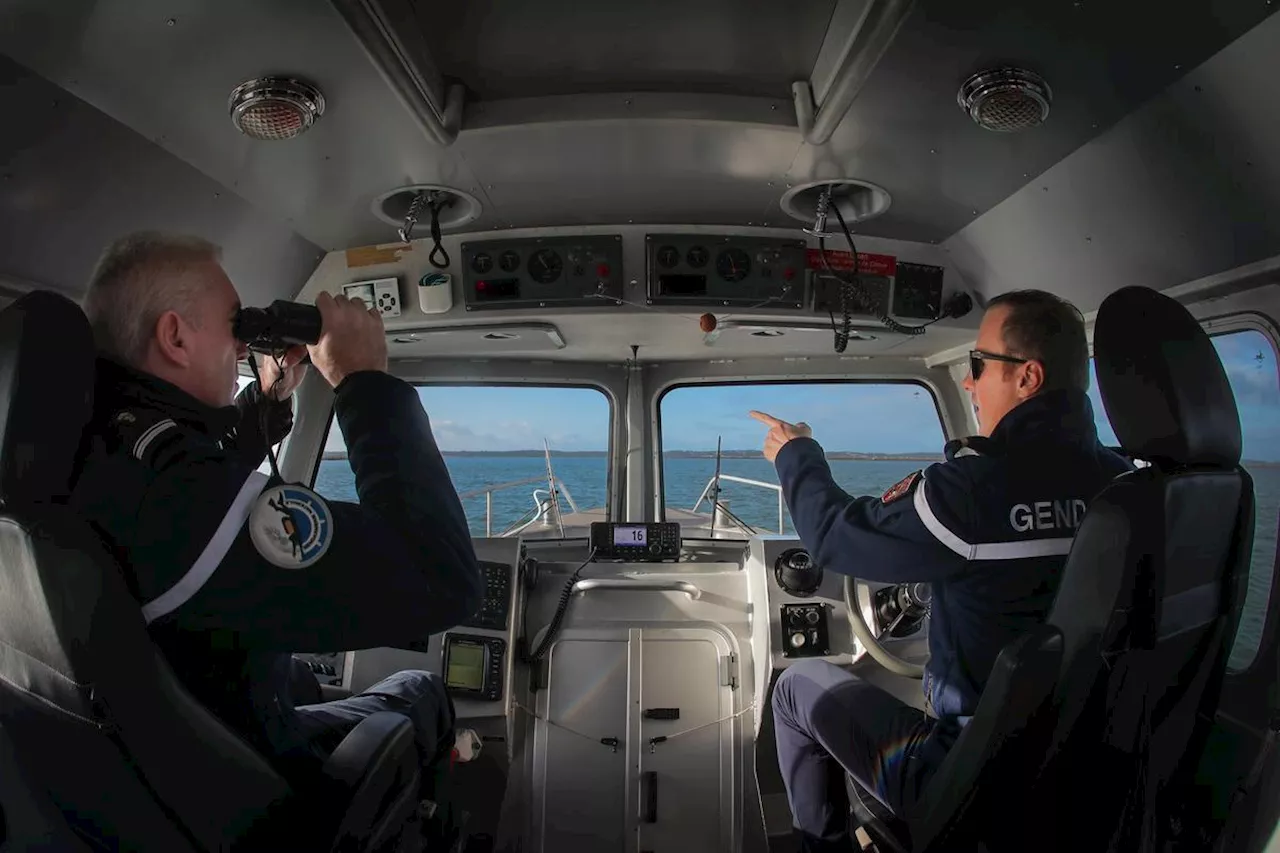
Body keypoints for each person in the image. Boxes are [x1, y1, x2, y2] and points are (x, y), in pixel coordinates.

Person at [71, 232, 483, 792]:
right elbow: (442, 576)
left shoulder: (90, 448)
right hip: (240, 781)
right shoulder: (174, 500)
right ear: (174, 336)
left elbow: (189, 474)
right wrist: (365, 384)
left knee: (301, 679)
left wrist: (267, 399)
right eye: (235, 325)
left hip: (159, 759)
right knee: (419, 690)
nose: (243, 348)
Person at [751, 290, 1131, 851]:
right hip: (1073, 767)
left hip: (967, 774)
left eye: (977, 365)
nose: (970, 383)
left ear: (1027, 377)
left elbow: (833, 538)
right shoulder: (1121, 487)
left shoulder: (971, 492)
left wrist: (795, 454)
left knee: (793, 688)